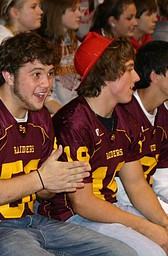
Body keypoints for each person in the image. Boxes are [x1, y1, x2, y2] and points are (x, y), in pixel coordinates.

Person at [0, 31, 138, 256]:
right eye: (36, 74)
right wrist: (40, 179)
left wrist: (57, 182)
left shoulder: (41, 116)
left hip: (34, 220)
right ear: (8, 76)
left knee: (122, 253)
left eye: (49, 73)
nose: (46, 83)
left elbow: (43, 192)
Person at [38, 32, 168, 255]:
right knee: (151, 251)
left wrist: (164, 223)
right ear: (107, 75)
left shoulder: (124, 117)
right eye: (128, 69)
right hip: (71, 218)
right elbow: (83, 203)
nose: (137, 77)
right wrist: (143, 226)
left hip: (109, 208)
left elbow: (136, 184)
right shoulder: (73, 122)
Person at [115, 41, 168, 213]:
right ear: (155, 77)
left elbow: (163, 179)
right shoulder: (123, 114)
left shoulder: (162, 114)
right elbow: (124, 190)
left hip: (148, 200)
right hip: (122, 203)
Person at [38, 0, 82, 113]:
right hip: (53, 114)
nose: (79, 14)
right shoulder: (42, 46)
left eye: (79, 9)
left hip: (75, 112)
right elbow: (46, 96)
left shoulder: (76, 44)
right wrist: (65, 115)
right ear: (57, 12)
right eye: (73, 10)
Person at [0, 0, 43, 75]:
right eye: (33, 7)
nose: (41, 11)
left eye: (39, 6)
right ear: (15, 12)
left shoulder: (30, 40)